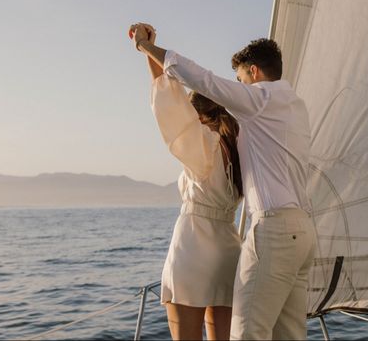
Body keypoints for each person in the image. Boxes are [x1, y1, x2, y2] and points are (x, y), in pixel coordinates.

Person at [129, 22, 316, 340]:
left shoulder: (214, 139)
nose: (240, 87)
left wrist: (147, 49)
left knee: (246, 335)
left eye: (242, 80)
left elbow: (175, 104)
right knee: (288, 334)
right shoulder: (266, 128)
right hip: (254, 244)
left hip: (200, 249)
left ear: (254, 72)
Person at [135, 25, 243, 340]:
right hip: (228, 251)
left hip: (194, 249)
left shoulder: (203, 144)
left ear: (196, 114)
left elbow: (168, 105)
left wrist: (146, 50)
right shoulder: (236, 150)